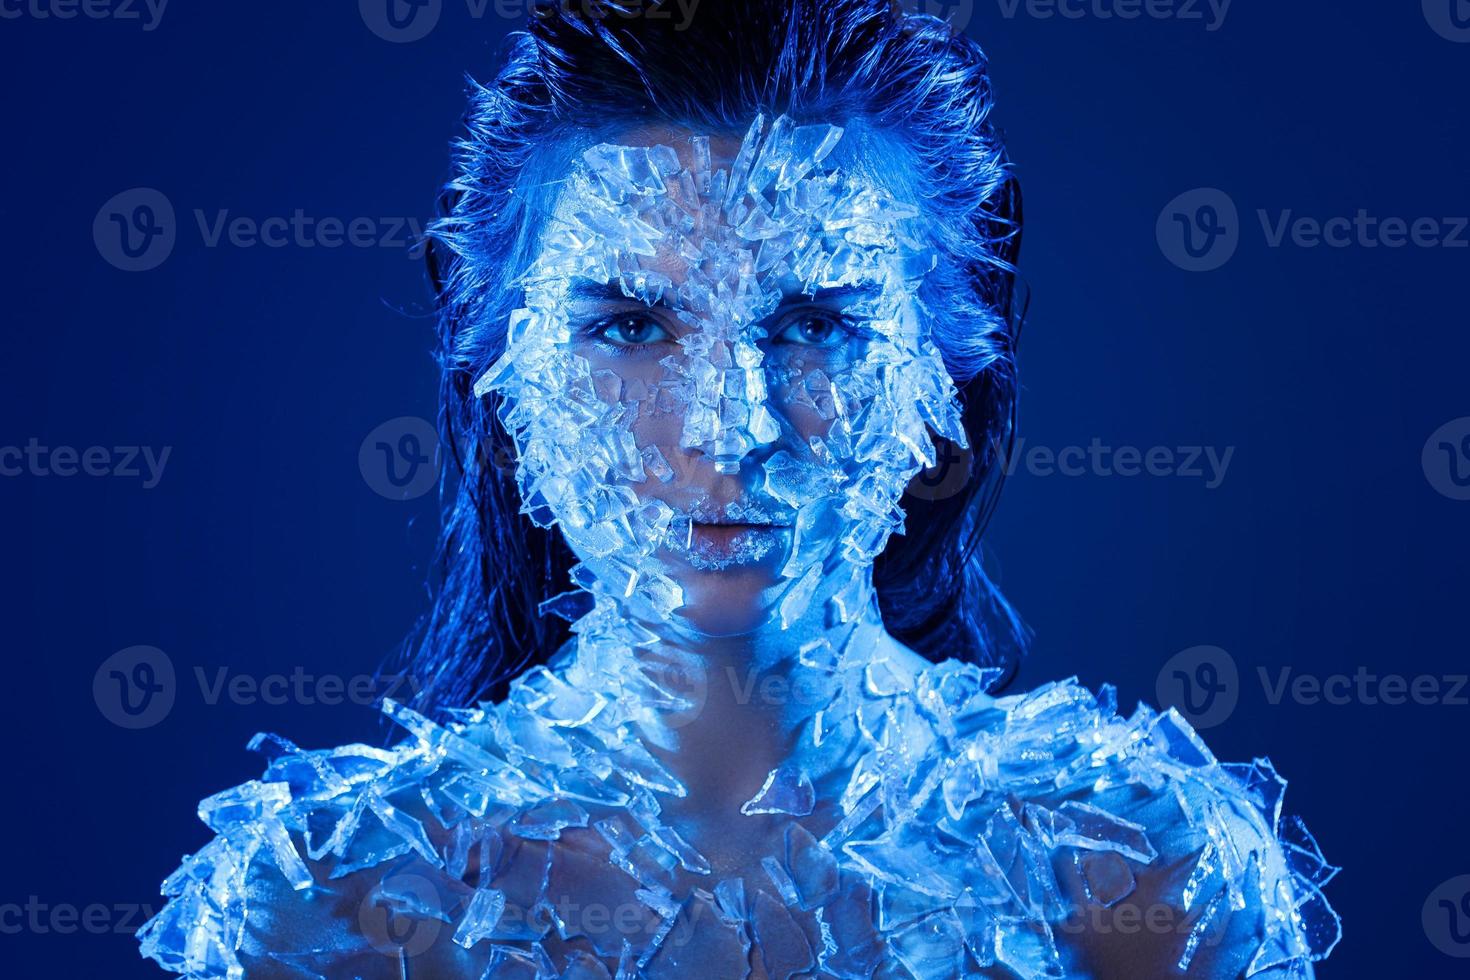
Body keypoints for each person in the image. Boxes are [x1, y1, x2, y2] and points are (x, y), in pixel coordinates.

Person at [138, 2, 1338, 977]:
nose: (731, 429)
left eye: (815, 321)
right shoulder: (331, 899)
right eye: (630, 324)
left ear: (944, 373)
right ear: (497, 369)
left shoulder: (1135, 870)